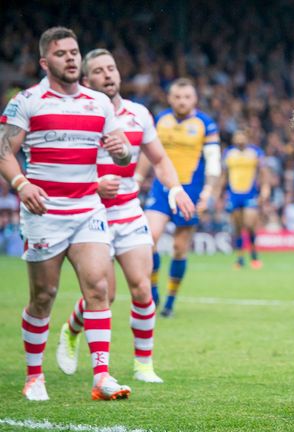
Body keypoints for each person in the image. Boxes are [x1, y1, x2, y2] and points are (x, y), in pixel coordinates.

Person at [0, 27, 133, 401]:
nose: (72, 58)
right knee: (45, 296)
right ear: (45, 62)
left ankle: (102, 375)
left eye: (75, 52)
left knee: (99, 288)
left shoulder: (99, 103)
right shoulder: (28, 101)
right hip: (44, 211)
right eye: (62, 54)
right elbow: (4, 151)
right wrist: (22, 185)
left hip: (88, 208)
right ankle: (33, 376)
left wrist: (122, 151)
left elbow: (121, 155)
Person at [54, 49, 196, 383]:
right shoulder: (77, 117)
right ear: (87, 80)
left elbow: (159, 160)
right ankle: (71, 330)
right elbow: (62, 168)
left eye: (112, 68)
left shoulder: (138, 114)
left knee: (142, 288)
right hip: (92, 212)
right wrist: (93, 184)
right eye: (100, 71)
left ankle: (143, 365)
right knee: (105, 294)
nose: (108, 75)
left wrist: (175, 189)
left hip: (130, 211)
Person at [142, 78, 221, 317]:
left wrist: (208, 192)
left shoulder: (205, 124)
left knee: (179, 248)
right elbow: (149, 153)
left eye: (187, 97)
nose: (182, 101)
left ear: (194, 99)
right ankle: (153, 294)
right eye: (177, 97)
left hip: (191, 191)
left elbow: (214, 163)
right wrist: (137, 177)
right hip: (162, 188)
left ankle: (169, 303)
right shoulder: (161, 120)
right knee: (149, 237)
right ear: (170, 98)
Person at [217, 129, 270, 269]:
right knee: (237, 227)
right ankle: (240, 258)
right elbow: (224, 175)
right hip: (233, 194)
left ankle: (253, 254)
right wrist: (218, 193)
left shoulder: (256, 152)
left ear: (247, 138)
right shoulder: (228, 153)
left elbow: (263, 173)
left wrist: (265, 190)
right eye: (236, 136)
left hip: (250, 194)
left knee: (249, 224)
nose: (239, 139)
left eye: (241, 136)